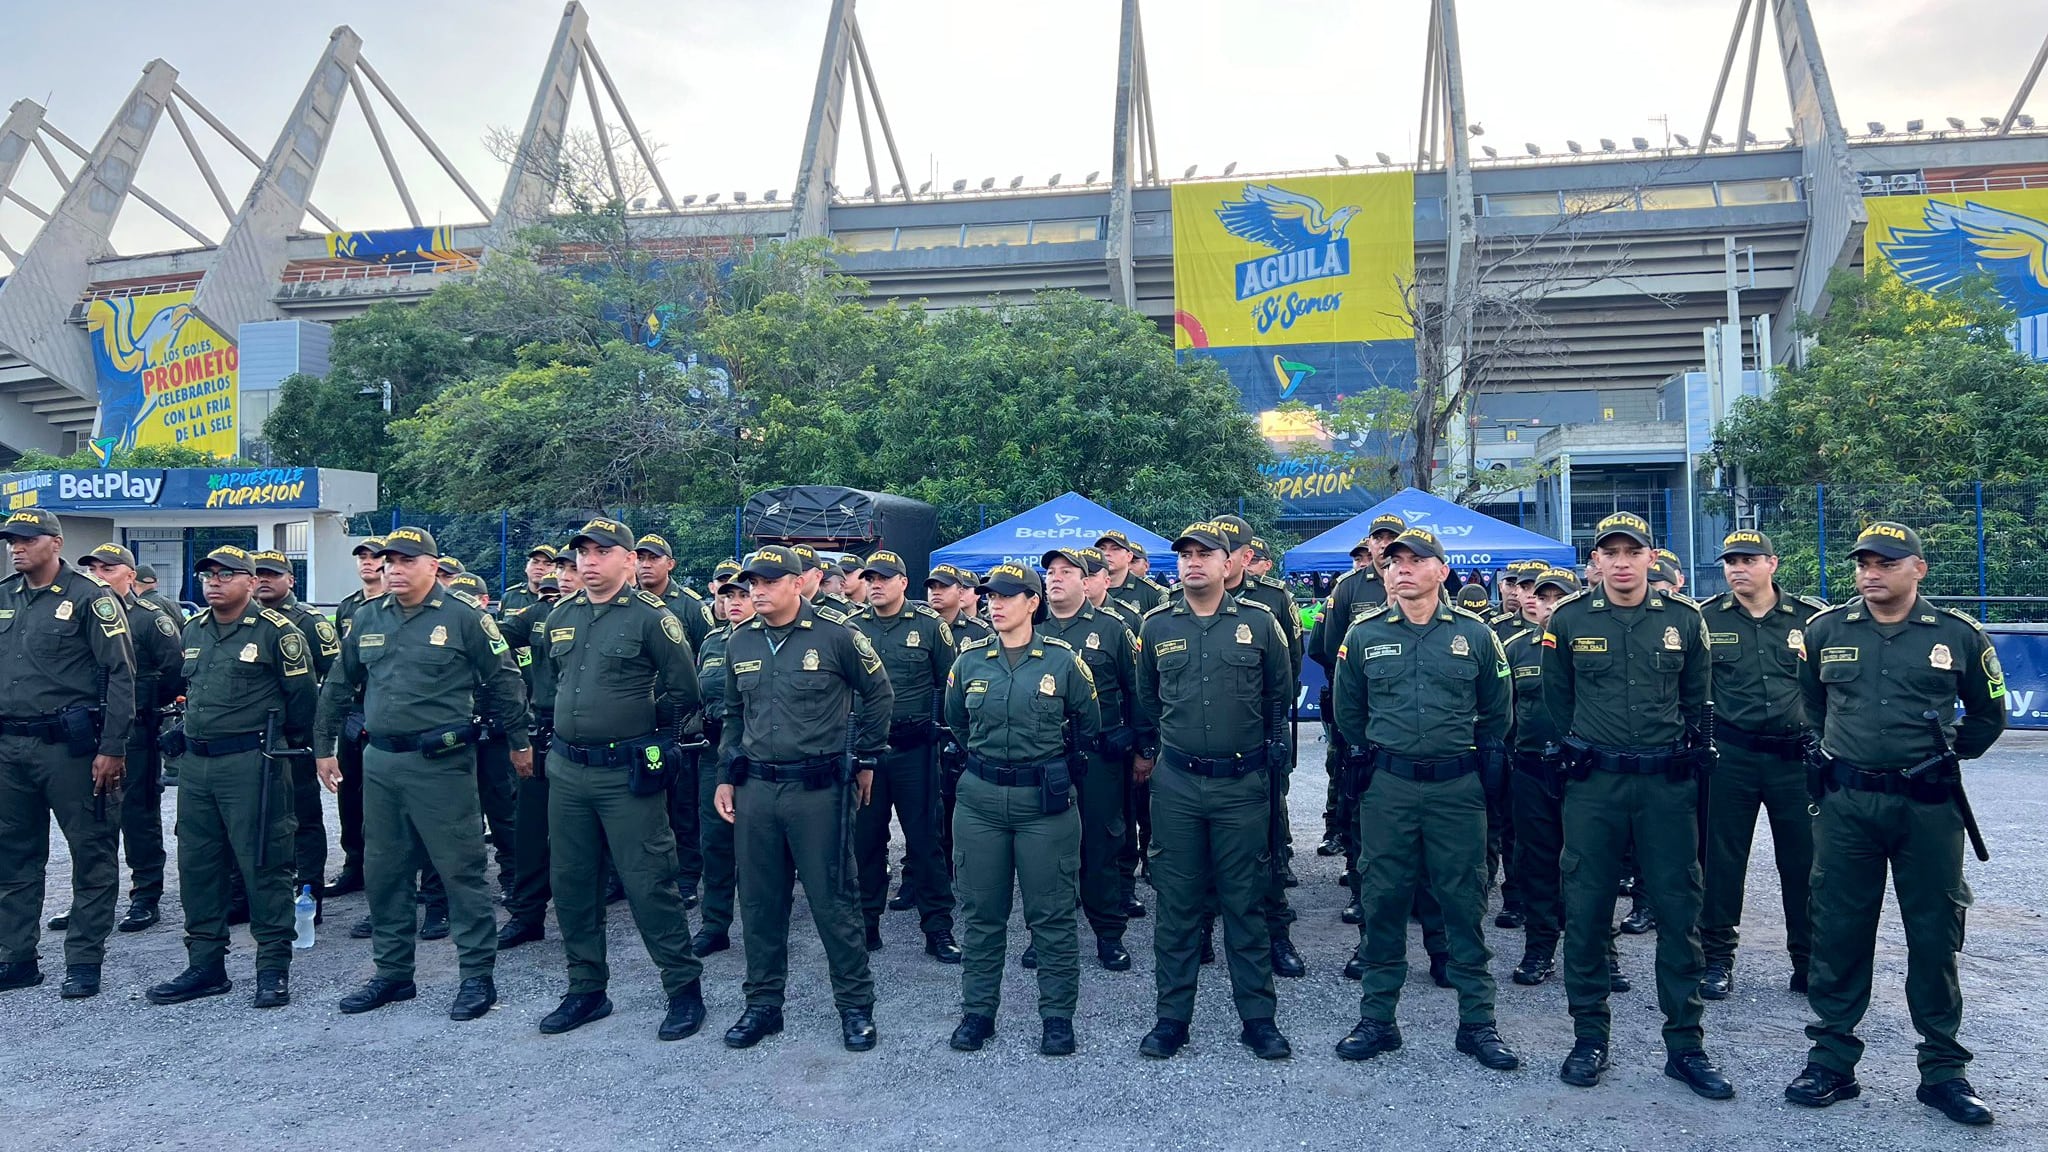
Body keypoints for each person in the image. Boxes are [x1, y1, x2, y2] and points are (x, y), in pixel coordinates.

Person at [1784, 522, 2007, 1126]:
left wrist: (1949, 755)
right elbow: (1813, 703)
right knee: (1838, 929)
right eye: (1863, 562)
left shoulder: (1957, 635)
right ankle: (1831, 1061)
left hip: (1927, 808)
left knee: (1934, 936)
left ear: (1918, 568)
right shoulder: (1826, 629)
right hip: (1848, 804)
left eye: (1885, 561)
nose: (1870, 572)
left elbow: (1990, 712)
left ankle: (1943, 1073)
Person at [1539, 511, 1729, 1099]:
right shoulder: (1569, 620)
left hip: (1665, 786)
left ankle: (1686, 1046)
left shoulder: (1683, 620)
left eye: (1633, 551)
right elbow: (1556, 698)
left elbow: (1698, 695)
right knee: (1589, 908)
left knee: (1678, 912)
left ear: (1652, 557)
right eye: (1610, 552)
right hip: (1595, 785)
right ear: (1595, 562)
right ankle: (1589, 1037)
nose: (1621, 561)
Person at [313, 527, 531, 1021]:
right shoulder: (367, 617)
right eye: (388, 560)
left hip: (442, 765)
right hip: (381, 763)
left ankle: (477, 977)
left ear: (433, 566)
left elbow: (505, 681)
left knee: (460, 870)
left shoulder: (464, 618)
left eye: (406, 560)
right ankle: (392, 974)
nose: (394, 568)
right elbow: (339, 686)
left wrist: (518, 743)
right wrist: (323, 747)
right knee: (385, 872)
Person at [1331, 527, 1518, 1070]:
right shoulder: (1363, 636)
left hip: (1457, 788)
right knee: (1383, 898)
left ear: (1442, 570)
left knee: (1464, 899)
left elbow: (1497, 712)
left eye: (1417, 560)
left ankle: (1478, 1024)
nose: (1403, 569)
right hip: (1388, 786)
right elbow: (1349, 713)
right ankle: (1378, 1020)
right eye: (1395, 562)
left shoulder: (1476, 635)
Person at [525, 517, 707, 1040]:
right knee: (573, 882)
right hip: (567, 768)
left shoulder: (654, 618)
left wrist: (651, 739)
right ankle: (586, 989)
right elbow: (547, 684)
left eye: (602, 552)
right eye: (581, 552)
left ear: (629, 560)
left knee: (649, 880)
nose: (588, 561)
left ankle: (682, 988)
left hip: (624, 771)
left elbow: (684, 691)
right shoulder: (560, 616)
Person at [713, 545, 892, 1052]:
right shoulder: (739, 642)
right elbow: (732, 714)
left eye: (769, 582)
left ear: (799, 584)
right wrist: (727, 773)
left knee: (834, 901)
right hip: (756, 790)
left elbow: (880, 694)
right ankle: (763, 1005)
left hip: (818, 790)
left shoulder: (837, 636)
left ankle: (855, 1007)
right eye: (753, 583)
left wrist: (867, 758)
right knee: (760, 902)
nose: (758, 591)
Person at [1132, 521, 1293, 1062]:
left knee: (1245, 903)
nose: (1193, 563)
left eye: (1206, 554)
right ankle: (1172, 1019)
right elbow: (1148, 701)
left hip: (1241, 785)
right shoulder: (1155, 626)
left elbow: (1279, 694)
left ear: (1231, 564)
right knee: (1177, 904)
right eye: (1185, 555)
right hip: (1177, 783)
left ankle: (1258, 1020)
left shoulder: (1260, 623)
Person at [144, 546, 315, 1009]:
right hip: (197, 765)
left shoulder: (278, 633)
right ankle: (206, 965)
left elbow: (302, 704)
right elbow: (194, 691)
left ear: (250, 581)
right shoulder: (194, 628)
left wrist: (272, 746)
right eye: (207, 575)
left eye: (225, 574)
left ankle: (272, 967)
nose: (213, 582)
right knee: (198, 864)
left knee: (264, 861)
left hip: (251, 761)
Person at [944, 563, 1099, 1056]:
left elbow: (1086, 724)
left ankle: (1057, 1017)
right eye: (990, 595)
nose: (996, 603)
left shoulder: (1063, 662)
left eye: (1009, 596)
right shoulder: (968, 662)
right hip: (981, 800)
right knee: (981, 913)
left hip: (1043, 804)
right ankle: (977, 1014)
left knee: (1051, 915)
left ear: (1033, 603)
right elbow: (956, 724)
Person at [0, 509, 136, 999]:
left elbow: (121, 675)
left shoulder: (89, 598)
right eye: (10, 540)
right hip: (9, 746)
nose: (15, 547)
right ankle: (16, 957)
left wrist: (112, 747)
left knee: (92, 853)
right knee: (12, 856)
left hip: (71, 750)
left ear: (54, 543)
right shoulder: (4, 596)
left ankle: (83, 961)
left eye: (25, 539)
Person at [1698, 530, 1827, 1002]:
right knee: (1721, 861)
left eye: (1748, 559)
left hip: (1794, 758)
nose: (1738, 568)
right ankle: (1716, 959)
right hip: (1731, 756)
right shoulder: (1706, 619)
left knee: (1803, 862)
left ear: (1772, 563)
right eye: (1731, 560)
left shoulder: (1810, 619)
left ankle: (1808, 961)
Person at [848, 551, 961, 963]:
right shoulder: (851, 627)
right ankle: (866, 924)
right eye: (870, 578)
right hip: (868, 753)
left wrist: (941, 733)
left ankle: (938, 928)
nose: (876, 584)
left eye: (885, 578)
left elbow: (948, 683)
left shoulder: (930, 627)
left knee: (925, 840)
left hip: (915, 749)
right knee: (867, 841)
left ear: (903, 582)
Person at [1039, 547, 1139, 971]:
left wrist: (1144, 748)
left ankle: (1108, 934)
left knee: (1101, 844)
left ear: (1088, 580)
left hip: (1099, 757)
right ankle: (1045, 935)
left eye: (1067, 572)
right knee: (1046, 850)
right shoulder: (1031, 626)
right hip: (1045, 758)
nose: (1056, 578)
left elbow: (1138, 692)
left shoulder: (1112, 628)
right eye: (1050, 572)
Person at [76, 544, 184, 935]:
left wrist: (149, 707)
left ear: (130, 575)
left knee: (136, 810)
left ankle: (145, 893)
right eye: (92, 568)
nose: (99, 574)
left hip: (136, 727)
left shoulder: (149, 618)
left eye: (108, 568)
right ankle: (89, 898)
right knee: (88, 815)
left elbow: (176, 668)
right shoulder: (80, 609)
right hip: (86, 727)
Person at [1502, 567, 1590, 987]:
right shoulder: (1516, 648)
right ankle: (1539, 949)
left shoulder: (1593, 645)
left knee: (1590, 864)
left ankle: (1598, 953)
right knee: (1534, 863)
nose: (1548, 604)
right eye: (1542, 596)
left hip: (1586, 773)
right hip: (1533, 769)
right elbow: (1503, 713)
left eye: (1559, 597)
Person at [251, 551, 341, 918]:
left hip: (293, 737)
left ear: (291, 579)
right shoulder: (241, 619)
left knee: (301, 816)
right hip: (249, 738)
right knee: (253, 817)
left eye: (273, 574)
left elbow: (333, 678)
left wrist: (319, 739)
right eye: (257, 574)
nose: (263, 580)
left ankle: (309, 890)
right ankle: (252, 893)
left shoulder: (307, 622)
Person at [690, 560, 751, 957]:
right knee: (715, 842)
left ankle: (764, 925)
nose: (732, 601)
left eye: (741, 595)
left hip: (758, 757)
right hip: (716, 754)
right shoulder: (713, 641)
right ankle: (715, 924)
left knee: (759, 848)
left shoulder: (767, 639)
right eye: (726, 595)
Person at [327, 538, 385, 902]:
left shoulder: (393, 605)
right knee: (350, 789)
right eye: (361, 557)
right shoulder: (348, 606)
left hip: (386, 708)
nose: (367, 562)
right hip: (354, 710)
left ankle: (390, 868)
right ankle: (355, 863)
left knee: (384, 793)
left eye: (374, 556)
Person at [926, 564, 988, 870]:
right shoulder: (924, 626)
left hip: (961, 733)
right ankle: (921, 869)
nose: (936, 593)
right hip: (926, 732)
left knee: (958, 803)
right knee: (926, 808)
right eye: (932, 587)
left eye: (944, 586)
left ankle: (959, 865)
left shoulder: (980, 633)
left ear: (961, 591)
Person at [1096, 530, 1165, 617]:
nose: (1106, 553)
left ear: (1129, 556)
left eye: (1115, 549)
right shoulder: (1086, 588)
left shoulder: (1150, 593)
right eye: (1102, 549)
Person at [501, 544, 556, 616]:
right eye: (535, 562)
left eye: (548, 564)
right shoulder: (510, 597)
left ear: (557, 570)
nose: (539, 567)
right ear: (526, 567)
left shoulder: (561, 598)